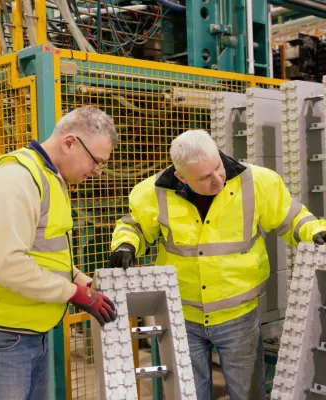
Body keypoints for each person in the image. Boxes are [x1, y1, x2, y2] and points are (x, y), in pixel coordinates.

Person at [109, 129, 326, 400]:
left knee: (248, 394)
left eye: (218, 168)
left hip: (238, 315)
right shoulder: (152, 193)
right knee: (189, 394)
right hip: (181, 314)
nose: (218, 180)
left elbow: (292, 218)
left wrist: (315, 231)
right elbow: (136, 226)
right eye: (204, 177)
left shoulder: (257, 182)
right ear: (180, 177)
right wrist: (125, 245)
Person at [0, 106, 117, 400]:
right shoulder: (15, 177)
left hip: (29, 331)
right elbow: (7, 264)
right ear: (69, 143)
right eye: (96, 161)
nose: (97, 171)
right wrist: (72, 293)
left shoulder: (51, 178)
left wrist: (81, 280)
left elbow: (45, 252)